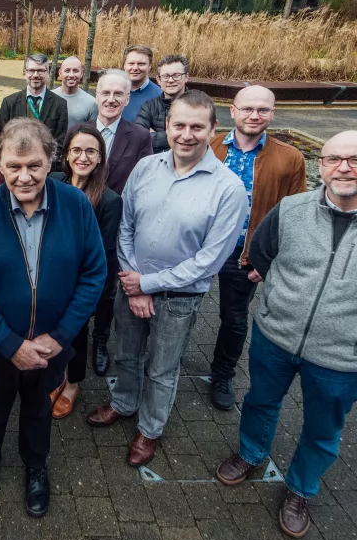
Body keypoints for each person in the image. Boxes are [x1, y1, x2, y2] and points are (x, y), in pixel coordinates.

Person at [214, 130, 357, 539]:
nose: (343, 168)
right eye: (333, 159)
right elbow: (262, 254)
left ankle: (301, 489)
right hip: (276, 337)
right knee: (260, 401)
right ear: (321, 166)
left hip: (342, 356)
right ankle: (251, 453)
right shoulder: (290, 210)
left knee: (322, 427)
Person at [87, 91, 247, 468]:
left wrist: (148, 284)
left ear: (213, 130)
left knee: (162, 368)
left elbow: (209, 260)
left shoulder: (228, 188)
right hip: (131, 286)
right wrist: (133, 280)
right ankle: (124, 403)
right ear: (166, 126)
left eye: (197, 127)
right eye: (179, 125)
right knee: (125, 354)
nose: (186, 134)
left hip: (177, 299)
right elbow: (125, 227)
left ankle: (150, 428)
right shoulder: (146, 169)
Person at [0, 119, 106, 518]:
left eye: (34, 166)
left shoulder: (75, 206)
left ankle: (36, 466)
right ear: (0, 163)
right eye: (15, 166)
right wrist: (10, 344)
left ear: (52, 160)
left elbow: (94, 273)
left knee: (39, 408)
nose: (24, 177)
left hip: (52, 345)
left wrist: (61, 336)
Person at [206, 86, 306, 411]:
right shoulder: (209, 146)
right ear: (232, 111)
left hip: (244, 253)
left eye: (263, 110)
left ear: (272, 114)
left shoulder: (290, 158)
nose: (254, 115)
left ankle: (222, 374)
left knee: (233, 318)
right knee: (178, 307)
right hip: (201, 246)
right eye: (248, 108)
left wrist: (268, 260)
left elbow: (294, 216)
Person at [48, 124, 121, 420]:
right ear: (66, 154)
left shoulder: (109, 200)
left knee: (76, 335)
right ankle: (55, 377)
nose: (83, 157)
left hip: (79, 285)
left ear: (101, 157)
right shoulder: (53, 183)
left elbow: (102, 254)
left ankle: (72, 384)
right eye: (76, 150)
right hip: (48, 279)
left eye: (91, 151)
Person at [89, 70, 152, 374]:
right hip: (83, 219)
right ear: (96, 95)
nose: (111, 99)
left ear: (127, 99)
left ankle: (100, 340)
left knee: (106, 286)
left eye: (118, 94)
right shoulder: (81, 130)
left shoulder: (139, 136)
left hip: (117, 224)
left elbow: (144, 183)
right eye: (106, 93)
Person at [0, 53, 69, 149]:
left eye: (40, 71)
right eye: (31, 70)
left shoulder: (60, 104)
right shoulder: (9, 103)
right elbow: (2, 138)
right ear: (26, 72)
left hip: (46, 162)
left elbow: (60, 143)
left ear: (48, 72)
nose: (35, 75)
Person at [135, 54, 190, 153]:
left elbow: (199, 139)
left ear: (186, 77)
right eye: (166, 76)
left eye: (176, 76)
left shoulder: (198, 106)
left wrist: (153, 136)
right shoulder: (148, 107)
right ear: (158, 79)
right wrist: (177, 136)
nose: (170, 80)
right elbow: (138, 138)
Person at [52, 56, 97, 133]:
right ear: (60, 73)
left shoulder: (92, 103)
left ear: (82, 73)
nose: (71, 75)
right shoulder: (49, 98)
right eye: (67, 70)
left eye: (75, 71)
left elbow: (91, 135)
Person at [120, 46, 162, 122]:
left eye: (141, 64)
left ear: (150, 66)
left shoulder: (159, 97)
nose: (135, 68)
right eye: (131, 63)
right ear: (124, 66)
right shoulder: (113, 91)